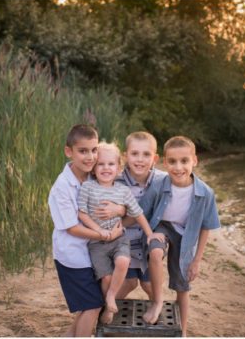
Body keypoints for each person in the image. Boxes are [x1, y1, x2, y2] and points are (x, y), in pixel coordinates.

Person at [140, 136, 221, 336]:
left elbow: (205, 227)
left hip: (186, 237)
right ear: (164, 162)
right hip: (162, 227)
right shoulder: (158, 185)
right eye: (172, 161)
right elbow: (141, 211)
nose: (178, 167)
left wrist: (197, 260)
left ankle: (182, 331)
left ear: (194, 160)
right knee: (156, 253)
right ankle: (158, 301)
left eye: (184, 161)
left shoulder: (205, 193)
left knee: (182, 286)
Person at [48, 124, 123, 337]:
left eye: (93, 150)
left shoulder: (92, 176)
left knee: (93, 303)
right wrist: (106, 234)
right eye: (83, 151)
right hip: (72, 256)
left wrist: (118, 209)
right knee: (92, 306)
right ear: (68, 152)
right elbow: (72, 228)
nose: (90, 157)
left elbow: (120, 185)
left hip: (92, 253)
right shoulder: (62, 187)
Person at [76, 142, 160, 324]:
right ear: (93, 169)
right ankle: (109, 305)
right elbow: (81, 213)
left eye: (111, 164)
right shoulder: (88, 188)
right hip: (97, 242)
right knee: (106, 277)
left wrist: (150, 233)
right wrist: (97, 230)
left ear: (119, 168)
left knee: (123, 261)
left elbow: (137, 213)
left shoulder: (123, 190)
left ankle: (111, 297)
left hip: (119, 239)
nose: (106, 168)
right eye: (101, 164)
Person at [114, 131, 168, 300]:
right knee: (129, 282)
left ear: (155, 158)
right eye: (134, 153)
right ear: (125, 156)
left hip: (147, 242)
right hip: (126, 243)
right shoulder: (116, 181)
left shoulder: (162, 180)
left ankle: (157, 310)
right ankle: (107, 307)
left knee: (148, 284)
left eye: (146, 154)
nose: (140, 159)